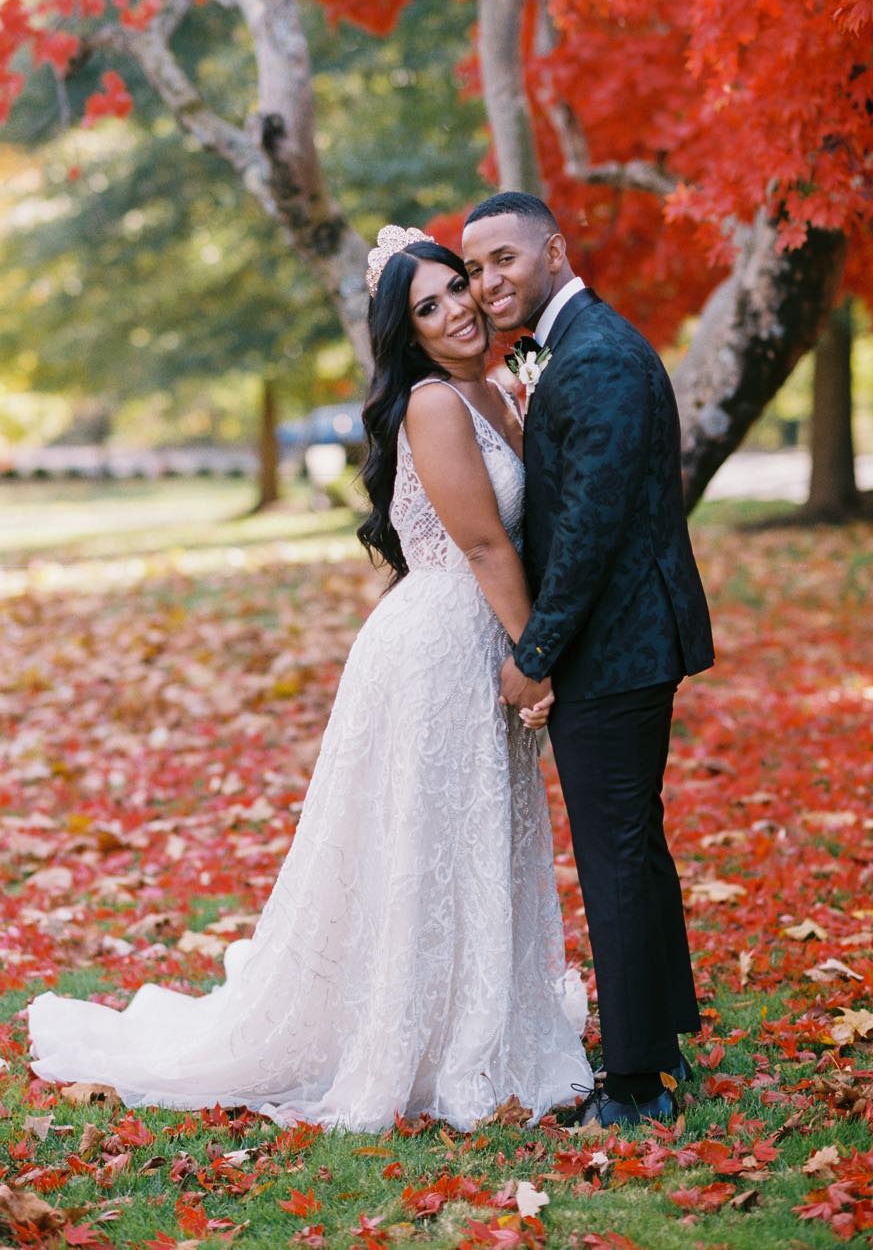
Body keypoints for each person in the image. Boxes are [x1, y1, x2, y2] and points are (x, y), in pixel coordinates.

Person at [27, 227, 594, 1132]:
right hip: (441, 647)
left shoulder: (495, 391)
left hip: (478, 632)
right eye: (429, 306)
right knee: (425, 838)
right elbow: (485, 543)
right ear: (405, 332)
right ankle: (409, 1034)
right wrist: (537, 663)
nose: (454, 310)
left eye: (457, 288)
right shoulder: (436, 405)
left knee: (479, 831)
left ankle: (474, 1018)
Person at [461, 192, 715, 1127]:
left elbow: (590, 536)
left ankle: (639, 1085)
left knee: (614, 857)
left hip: (619, 646)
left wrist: (536, 654)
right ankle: (666, 1040)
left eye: (504, 261)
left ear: (554, 251)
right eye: (475, 266)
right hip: (627, 638)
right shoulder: (575, 348)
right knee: (634, 847)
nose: (488, 283)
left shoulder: (598, 359)